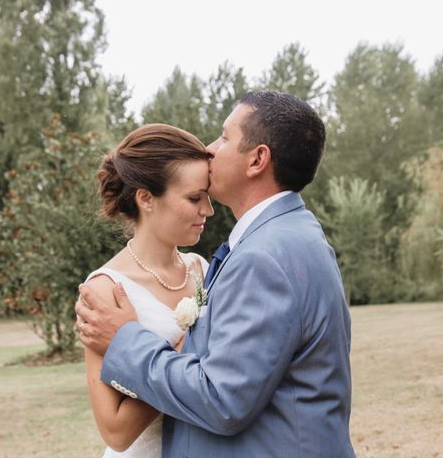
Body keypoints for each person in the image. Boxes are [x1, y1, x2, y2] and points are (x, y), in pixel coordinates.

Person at [76, 91, 355, 458]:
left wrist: (128, 340)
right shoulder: (289, 236)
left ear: (257, 159)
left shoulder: (261, 257)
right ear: (145, 198)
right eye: (194, 198)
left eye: (224, 137)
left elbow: (222, 398)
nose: (210, 149)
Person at [81, 123, 215, 457]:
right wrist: (185, 352)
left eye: (208, 196)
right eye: (195, 198)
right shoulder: (106, 290)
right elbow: (115, 431)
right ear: (146, 198)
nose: (209, 210)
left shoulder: (201, 269)